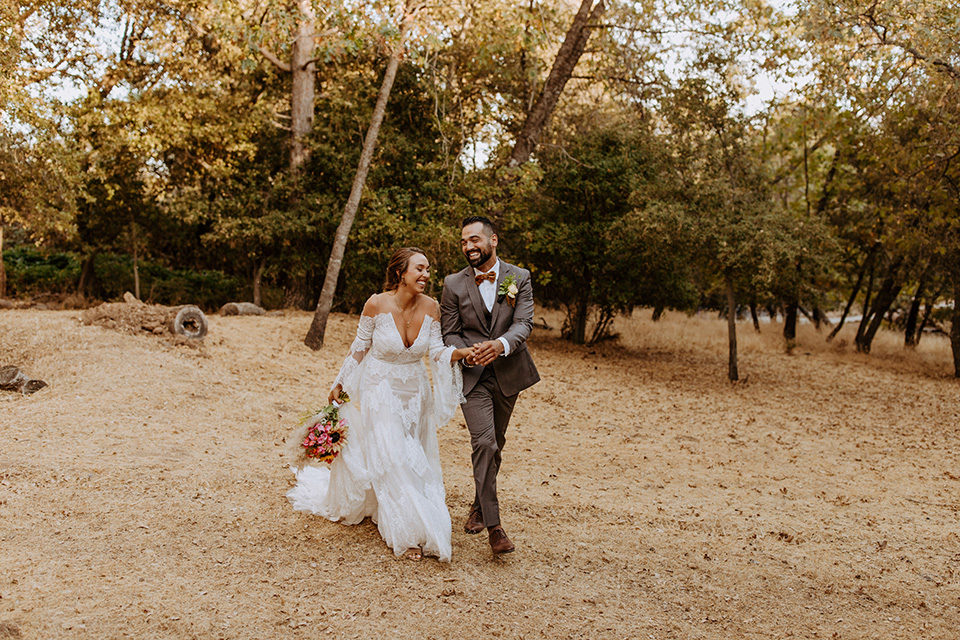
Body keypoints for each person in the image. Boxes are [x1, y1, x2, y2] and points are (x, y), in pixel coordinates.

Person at [287, 248, 474, 562]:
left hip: (415, 393)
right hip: (380, 389)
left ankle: (420, 517)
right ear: (401, 272)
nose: (426, 275)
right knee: (393, 455)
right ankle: (407, 533)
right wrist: (340, 383)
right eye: (420, 269)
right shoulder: (375, 304)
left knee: (414, 456)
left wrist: (462, 353)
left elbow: (438, 351)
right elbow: (359, 349)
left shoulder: (432, 308)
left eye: (428, 269)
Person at [440, 216, 540, 555]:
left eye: (474, 240)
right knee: (483, 442)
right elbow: (449, 332)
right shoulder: (453, 284)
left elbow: (524, 323)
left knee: (495, 443)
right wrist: (466, 353)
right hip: (472, 378)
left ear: (492, 240)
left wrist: (500, 345)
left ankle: (479, 505)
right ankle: (495, 528)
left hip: (509, 373)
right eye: (464, 242)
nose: (468, 247)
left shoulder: (518, 277)